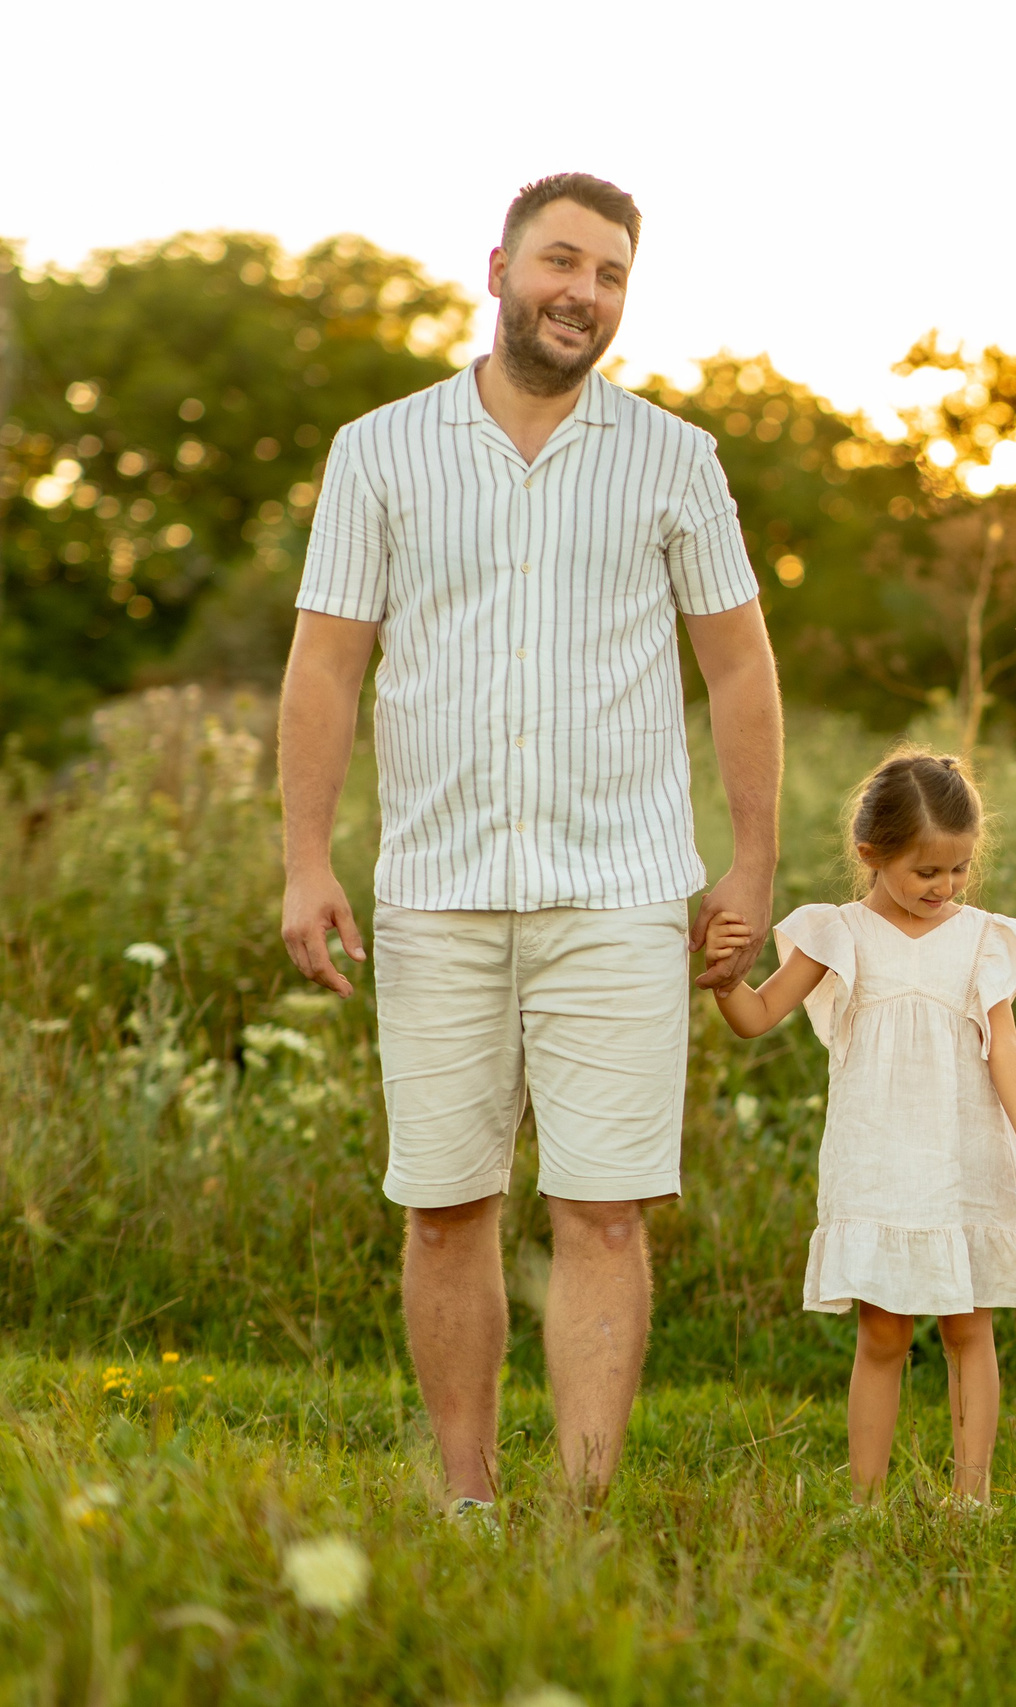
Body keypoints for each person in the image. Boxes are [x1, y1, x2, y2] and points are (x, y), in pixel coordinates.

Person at [277, 173, 784, 1514]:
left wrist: (751, 863)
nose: (586, 293)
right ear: (499, 266)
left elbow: (740, 669)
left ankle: (580, 1513)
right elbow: (327, 664)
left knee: (605, 1209)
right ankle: (466, 1500)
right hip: (436, 892)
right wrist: (305, 855)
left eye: (613, 274)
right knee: (444, 1204)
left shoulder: (675, 458)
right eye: (565, 261)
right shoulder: (377, 450)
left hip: (619, 894)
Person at [700, 750, 1016, 1504]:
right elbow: (757, 1017)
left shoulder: (980, 939)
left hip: (965, 1158)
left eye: (959, 869)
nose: (945, 888)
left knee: (969, 1330)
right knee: (883, 1334)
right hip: (878, 1162)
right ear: (870, 855)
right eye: (925, 871)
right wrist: (724, 977)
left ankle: (973, 1496)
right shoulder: (838, 934)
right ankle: (866, 1500)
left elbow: (1007, 1048)